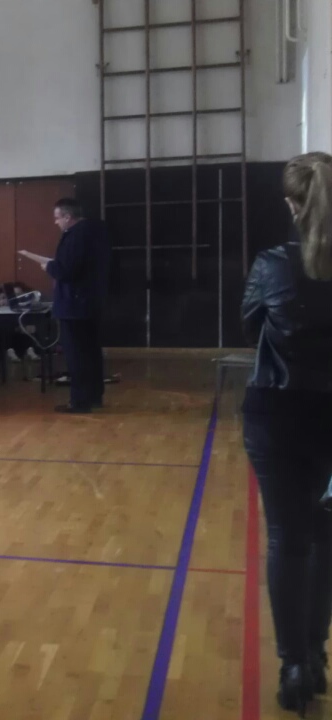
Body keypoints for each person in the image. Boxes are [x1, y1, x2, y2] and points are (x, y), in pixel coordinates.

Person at [239, 152, 332, 715]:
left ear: (293, 204)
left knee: (287, 537)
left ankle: (294, 664)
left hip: (277, 410)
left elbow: (251, 325)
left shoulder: (274, 262)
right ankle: (316, 655)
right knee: (325, 536)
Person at [19, 198, 111, 413]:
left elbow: (67, 270)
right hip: (91, 302)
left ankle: (79, 401)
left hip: (74, 305)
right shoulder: (97, 232)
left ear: (68, 217)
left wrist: (50, 267)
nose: (56, 222)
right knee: (91, 352)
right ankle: (94, 396)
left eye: (57, 218)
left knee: (76, 354)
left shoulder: (75, 236)